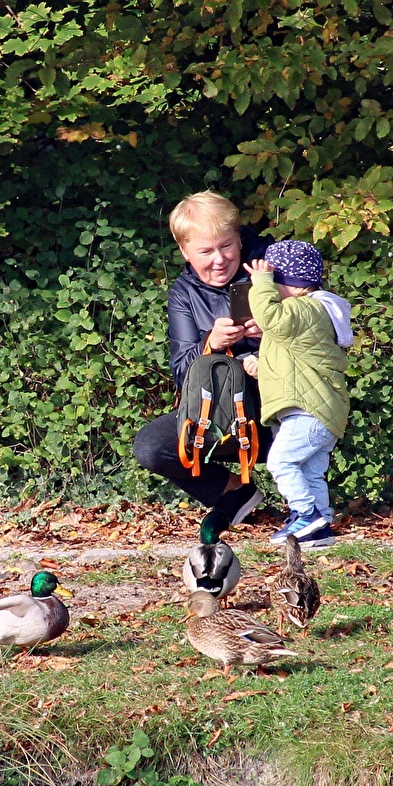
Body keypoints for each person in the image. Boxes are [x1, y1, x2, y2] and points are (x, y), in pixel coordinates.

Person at [131, 192, 270, 535]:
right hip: (218, 415)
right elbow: (181, 371)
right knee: (151, 447)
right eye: (206, 252)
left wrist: (272, 335)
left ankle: (311, 511)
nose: (219, 260)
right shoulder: (183, 293)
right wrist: (211, 343)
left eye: (226, 247)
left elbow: (321, 339)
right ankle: (235, 491)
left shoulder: (269, 270)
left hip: (276, 409)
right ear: (185, 252)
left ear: (239, 239)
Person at [244, 240, 353, 548]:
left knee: (280, 461)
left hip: (310, 409)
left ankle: (305, 514)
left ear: (290, 284)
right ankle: (320, 527)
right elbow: (295, 359)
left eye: (274, 281)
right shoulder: (314, 311)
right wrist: (261, 362)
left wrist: (260, 283)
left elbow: (271, 316)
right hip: (321, 409)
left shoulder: (303, 307)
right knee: (310, 471)